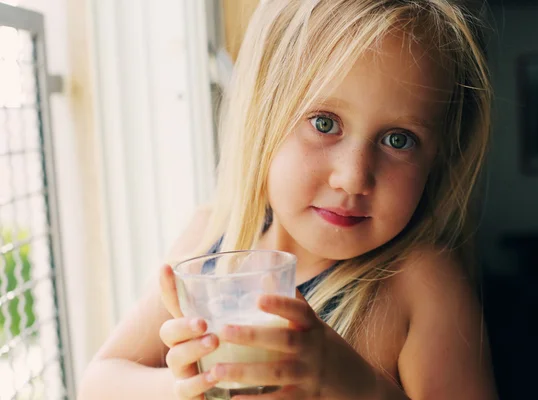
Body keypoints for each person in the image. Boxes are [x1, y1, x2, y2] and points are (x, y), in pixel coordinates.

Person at [78, 0, 498, 399]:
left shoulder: (422, 284)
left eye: (398, 139)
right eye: (324, 122)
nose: (352, 177)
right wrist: (194, 386)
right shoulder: (208, 239)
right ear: (263, 118)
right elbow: (100, 382)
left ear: (437, 158)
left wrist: (355, 388)